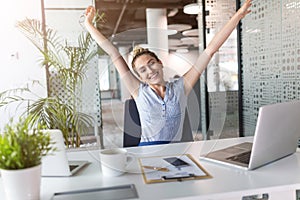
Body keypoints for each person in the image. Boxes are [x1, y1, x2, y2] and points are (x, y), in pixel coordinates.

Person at [84, 0, 252, 146]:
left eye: (152, 64)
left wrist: (237, 16)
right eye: (142, 70)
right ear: (139, 76)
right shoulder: (138, 91)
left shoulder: (181, 87)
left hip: (177, 151)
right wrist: (89, 25)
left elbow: (210, 50)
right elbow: (113, 53)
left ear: (160, 63)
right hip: (148, 152)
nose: (149, 71)